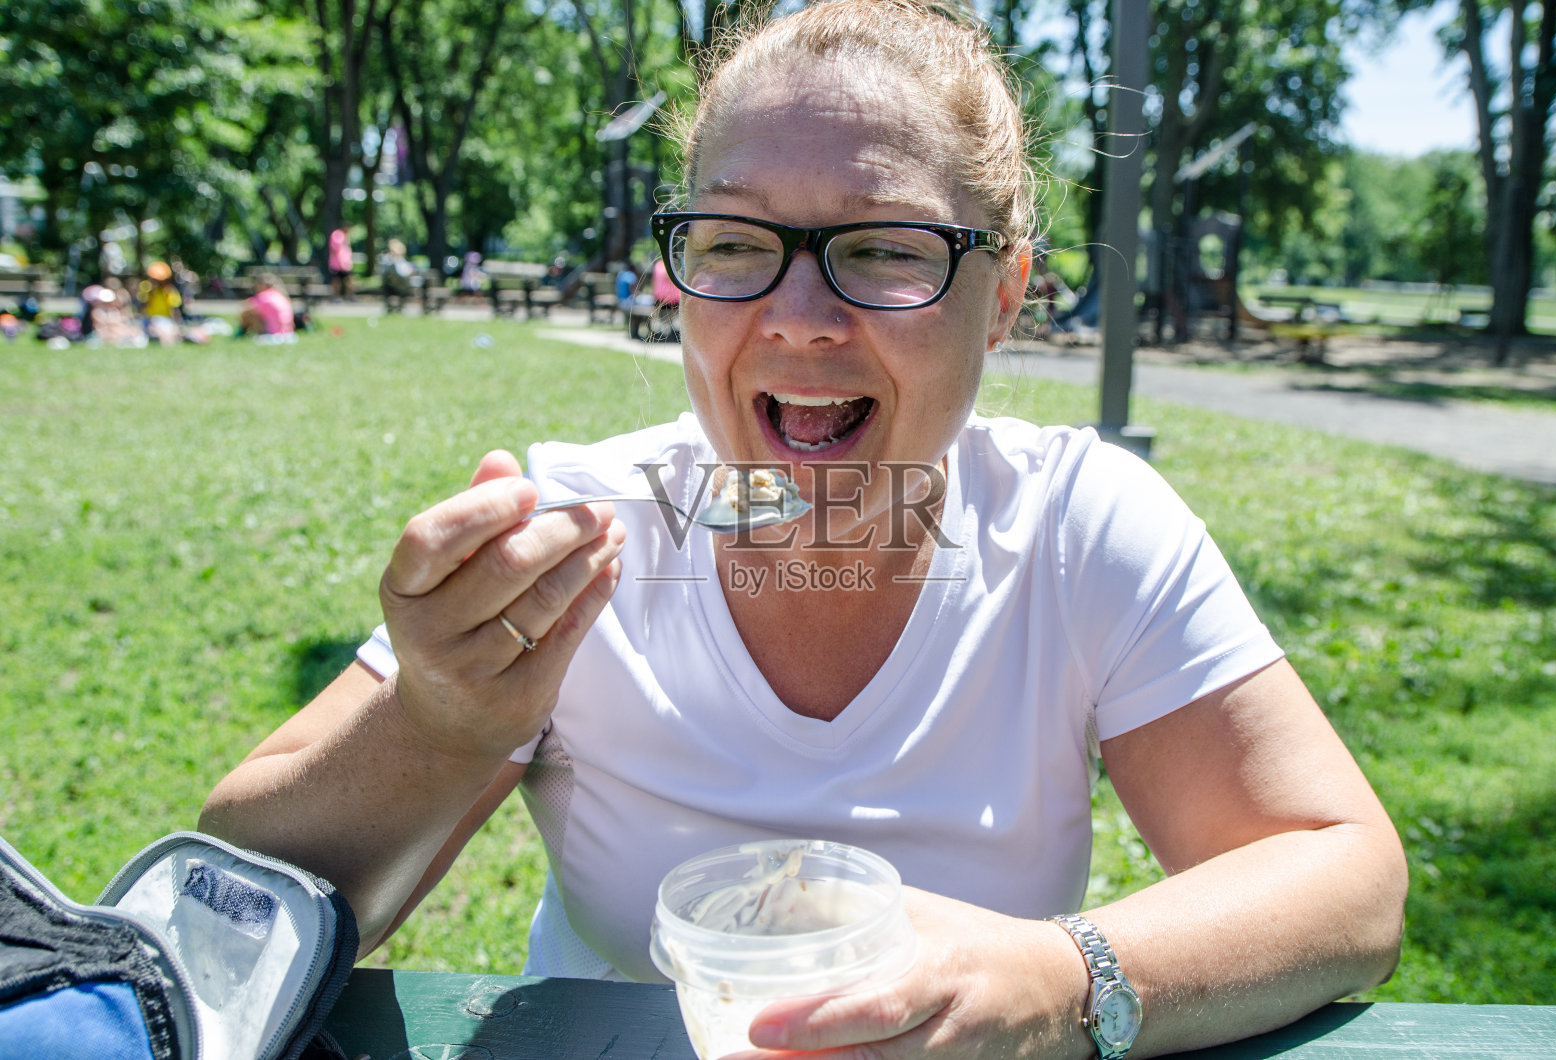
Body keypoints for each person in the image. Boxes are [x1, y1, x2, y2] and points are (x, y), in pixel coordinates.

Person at [200, 3, 1406, 1058]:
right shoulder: (584, 531)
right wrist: (440, 721)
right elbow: (238, 892)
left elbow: (1342, 876)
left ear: (1006, 296)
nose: (798, 315)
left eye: (884, 250)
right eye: (733, 244)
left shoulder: (1077, 525)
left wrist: (1065, 981)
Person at [240, 273, 296, 342]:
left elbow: (245, 307)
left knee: (249, 314)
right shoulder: (282, 296)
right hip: (289, 334)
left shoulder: (264, 296)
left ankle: (241, 334)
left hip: (273, 335)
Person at [328, 228, 355, 300]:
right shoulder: (337, 235)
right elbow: (335, 248)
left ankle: (349, 295)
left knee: (349, 280)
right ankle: (336, 296)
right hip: (337, 264)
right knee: (337, 281)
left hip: (345, 264)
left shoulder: (346, 237)